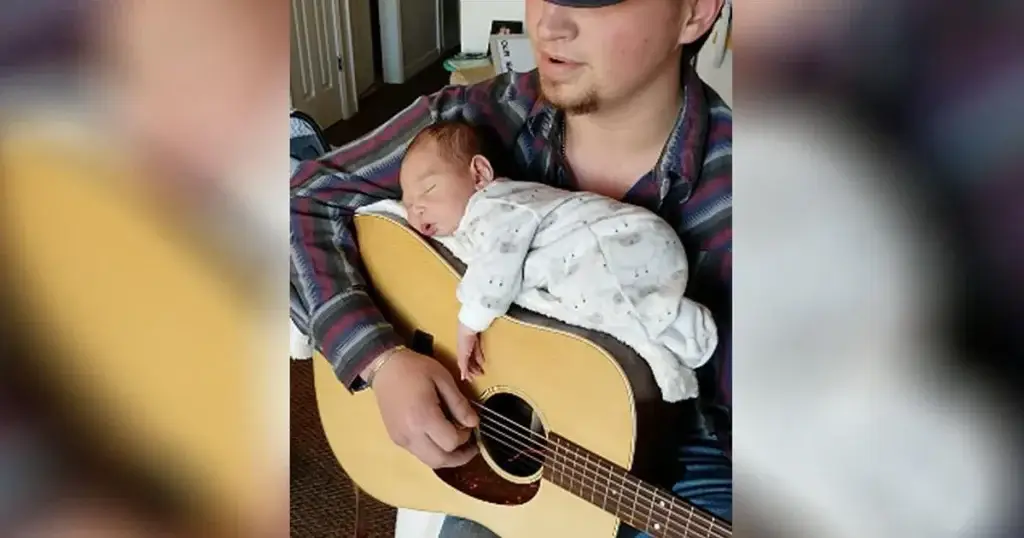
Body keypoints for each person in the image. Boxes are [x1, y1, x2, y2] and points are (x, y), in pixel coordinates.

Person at [290, 0, 732, 535]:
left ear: (694, 12)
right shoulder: (472, 121)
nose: (547, 23)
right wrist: (379, 361)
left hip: (670, 455)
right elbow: (305, 197)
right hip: (492, 459)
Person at [397, 119, 718, 402]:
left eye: (428, 190)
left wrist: (469, 323)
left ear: (479, 174)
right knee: (599, 301)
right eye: (408, 204)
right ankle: (666, 325)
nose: (416, 209)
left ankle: (677, 321)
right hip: (631, 246)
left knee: (596, 288)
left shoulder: (494, 205)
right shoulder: (468, 221)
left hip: (623, 237)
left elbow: (496, 265)